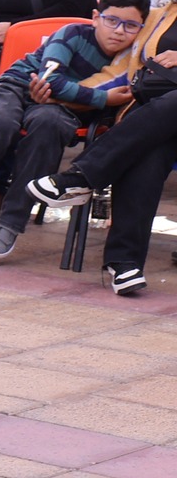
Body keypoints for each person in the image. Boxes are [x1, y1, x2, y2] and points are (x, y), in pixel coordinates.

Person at [0, 0, 150, 261]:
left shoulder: (128, 61)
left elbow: (97, 97)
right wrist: (102, 98)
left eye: (131, 26)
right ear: (96, 17)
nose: (119, 31)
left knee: (50, 127)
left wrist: (80, 99)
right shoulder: (72, 33)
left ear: (142, 29)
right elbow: (51, 81)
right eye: (111, 21)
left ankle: (11, 223)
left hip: (61, 109)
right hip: (18, 88)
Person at [29, 20, 177, 295]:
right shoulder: (163, 15)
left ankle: (80, 177)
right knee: (149, 147)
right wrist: (60, 94)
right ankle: (124, 263)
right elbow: (123, 70)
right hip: (159, 121)